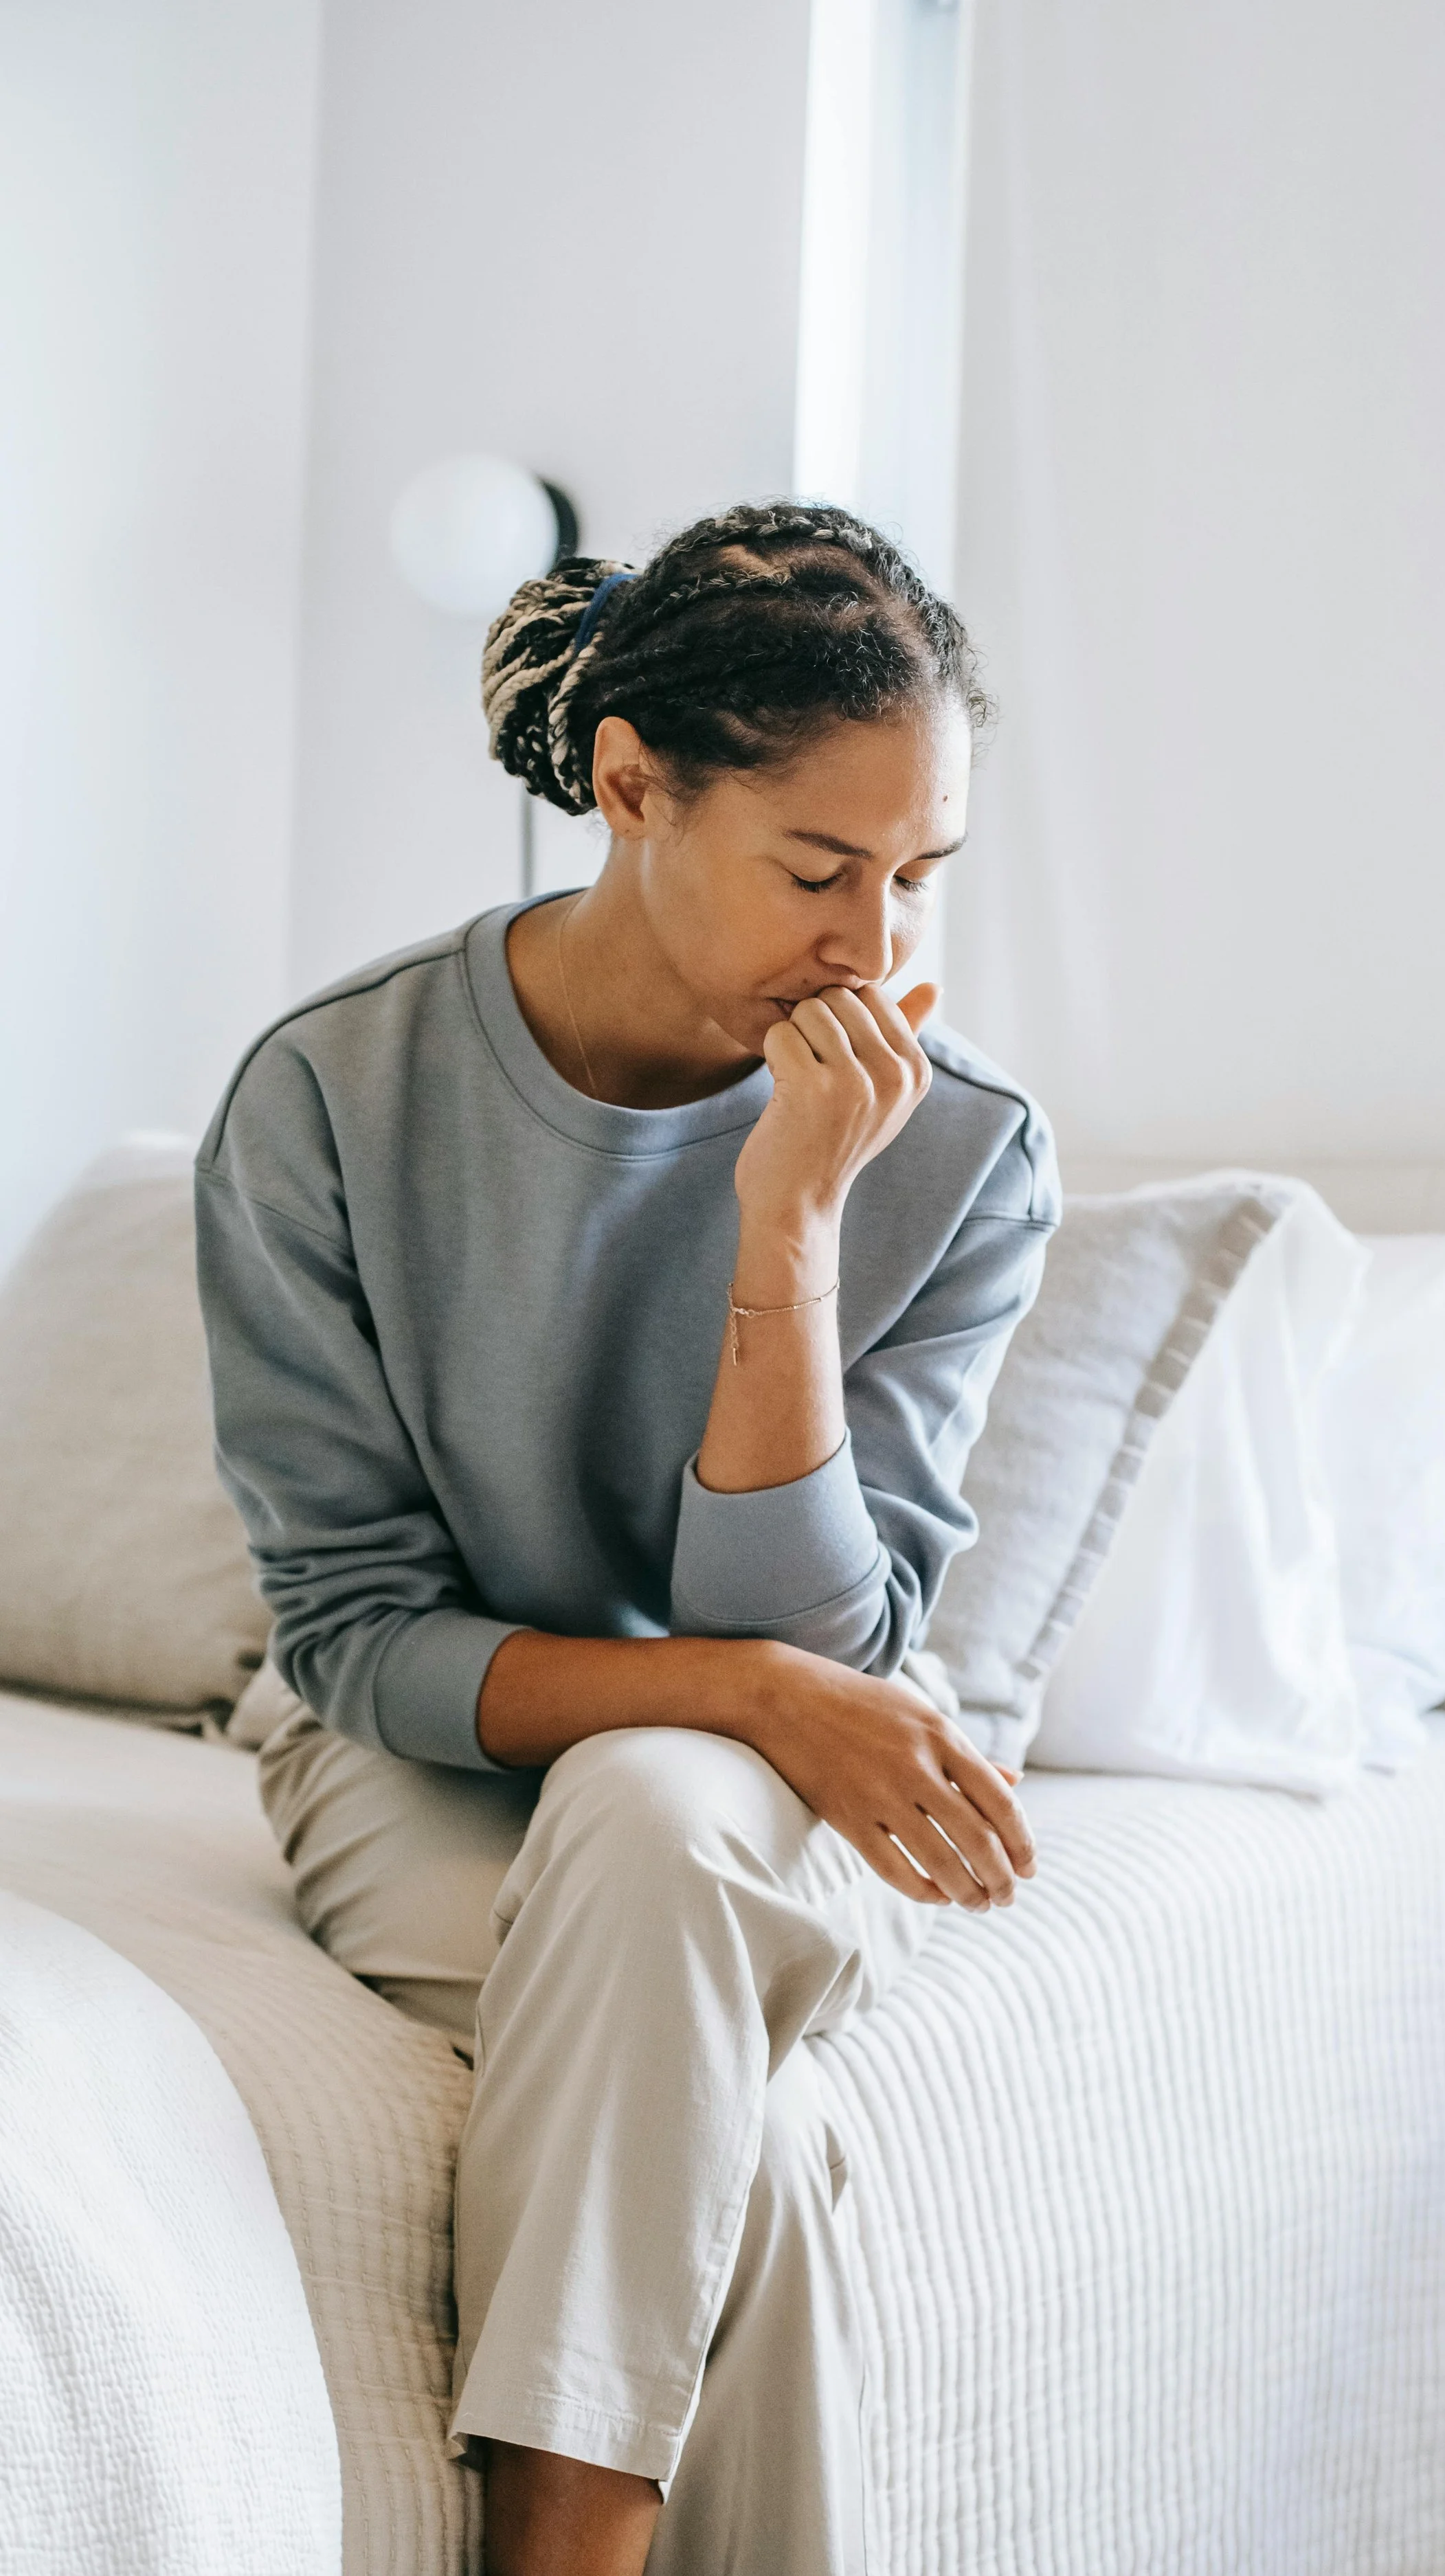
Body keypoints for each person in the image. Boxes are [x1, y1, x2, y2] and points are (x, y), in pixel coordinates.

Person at [196, 501, 1058, 2576]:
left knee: (664, 1816)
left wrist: (791, 1224)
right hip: (434, 1752)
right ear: (630, 783)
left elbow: (815, 1651)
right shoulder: (331, 1094)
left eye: (916, 876)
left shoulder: (956, 1151)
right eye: (817, 868)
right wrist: (737, 1687)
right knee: (717, 2130)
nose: (876, 949)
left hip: (786, 1777)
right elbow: (350, 1627)